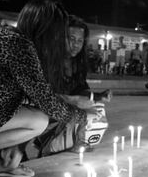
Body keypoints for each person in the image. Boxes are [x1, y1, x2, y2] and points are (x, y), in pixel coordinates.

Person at [0, 0, 96, 177]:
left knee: (35, 118)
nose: (60, 40)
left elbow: (32, 95)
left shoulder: (5, 36)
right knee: (38, 119)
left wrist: (72, 102)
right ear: (47, 30)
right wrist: (84, 117)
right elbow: (46, 101)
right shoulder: (18, 45)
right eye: (59, 33)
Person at [31, 15, 111, 157]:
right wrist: (72, 100)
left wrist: (99, 96)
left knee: (97, 109)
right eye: (71, 39)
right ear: (59, 38)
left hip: (65, 110)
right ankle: (48, 146)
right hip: (45, 110)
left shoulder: (77, 64)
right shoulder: (46, 61)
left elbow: (81, 89)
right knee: (79, 110)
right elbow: (39, 94)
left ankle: (76, 141)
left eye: (80, 41)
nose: (76, 45)